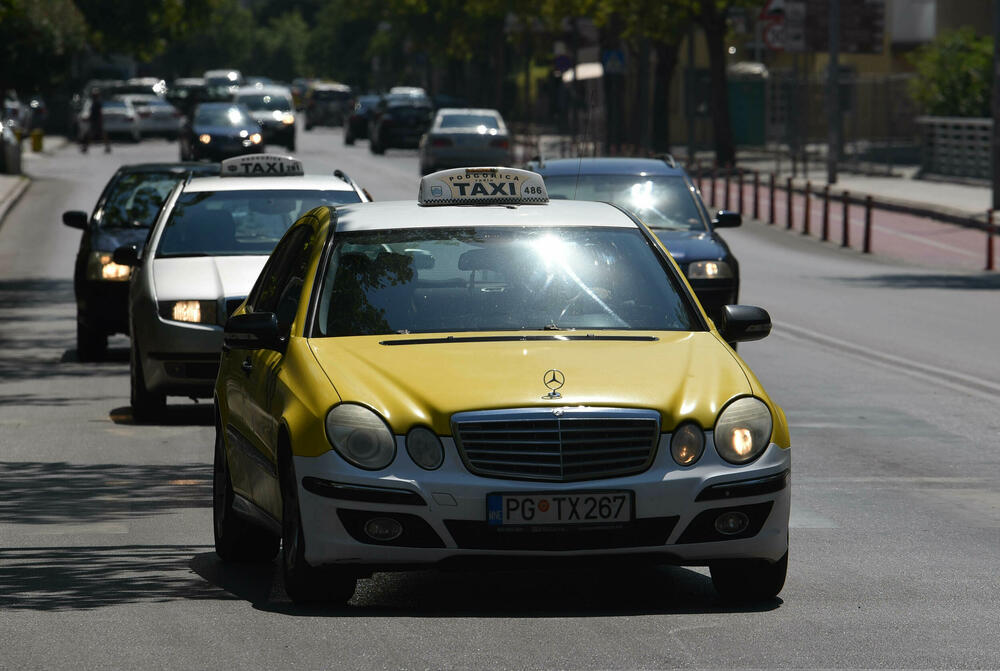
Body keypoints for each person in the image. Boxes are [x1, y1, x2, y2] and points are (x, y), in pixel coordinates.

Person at [81, 88, 110, 153]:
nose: (93, 96)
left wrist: (98, 121)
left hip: (96, 121)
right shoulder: (94, 102)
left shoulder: (97, 103)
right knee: (95, 134)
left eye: (94, 95)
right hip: (94, 121)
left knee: (93, 134)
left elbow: (98, 113)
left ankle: (86, 148)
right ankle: (86, 147)